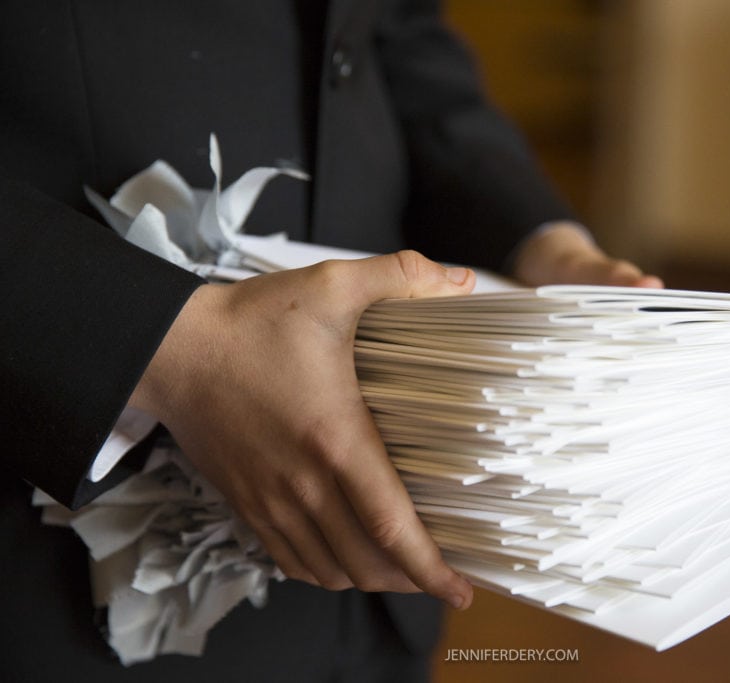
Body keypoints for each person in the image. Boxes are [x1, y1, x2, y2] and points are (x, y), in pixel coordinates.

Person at [0, 1, 661, 680]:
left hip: (377, 599)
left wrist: (538, 235)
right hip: (51, 573)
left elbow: (400, 32)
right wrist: (172, 346)